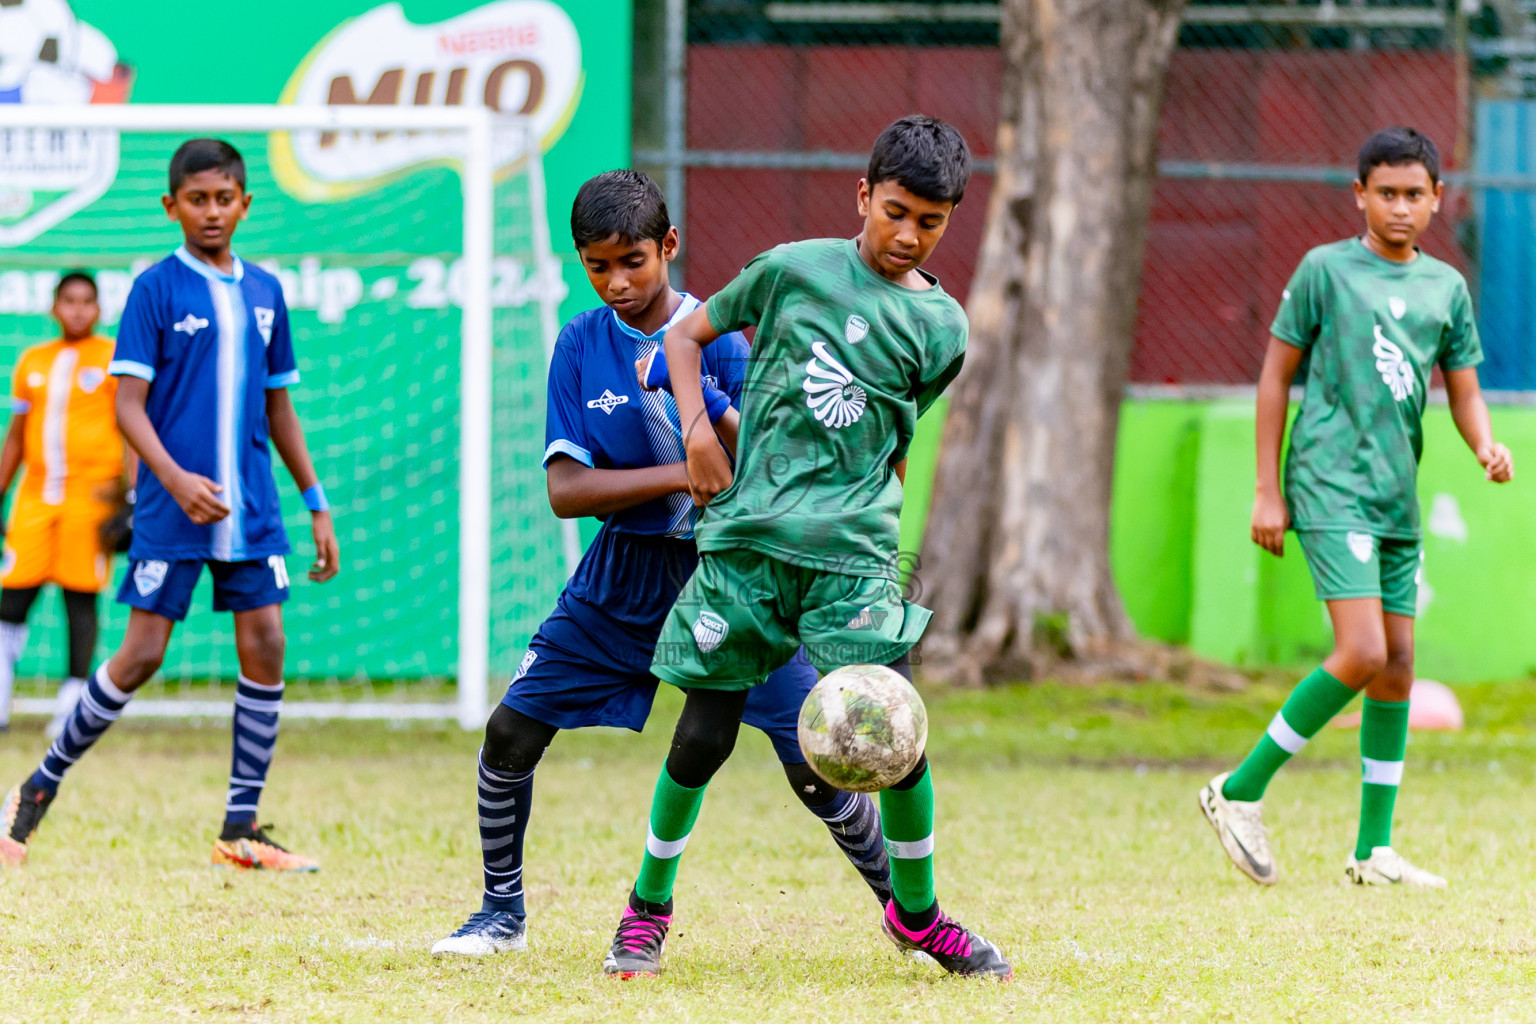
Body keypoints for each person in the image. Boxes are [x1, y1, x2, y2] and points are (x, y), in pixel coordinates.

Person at [431, 169, 893, 958]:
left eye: (633, 261)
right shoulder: (579, 344)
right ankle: (500, 914)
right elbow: (568, 490)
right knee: (509, 731)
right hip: (620, 575)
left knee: (820, 761)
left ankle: (906, 911)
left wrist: (718, 430)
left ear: (669, 247)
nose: (616, 282)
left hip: (730, 578)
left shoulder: (730, 338)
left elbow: (769, 468)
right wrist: (689, 467)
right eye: (596, 265)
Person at [603, 116, 1011, 980]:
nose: (907, 235)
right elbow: (684, 336)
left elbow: (894, 436)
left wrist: (869, 510)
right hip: (750, 541)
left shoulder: (945, 328)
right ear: (863, 195)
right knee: (703, 736)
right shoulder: (791, 270)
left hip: (853, 556)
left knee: (894, 734)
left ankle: (919, 914)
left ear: (951, 222)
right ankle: (647, 909)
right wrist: (698, 434)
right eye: (895, 211)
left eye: (930, 222)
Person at [0, 138, 340, 872]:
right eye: (197, 199)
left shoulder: (266, 293)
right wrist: (175, 479)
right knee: (141, 654)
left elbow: (279, 408)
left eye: (225, 199)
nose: (211, 212)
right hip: (170, 510)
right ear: (172, 206)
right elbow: (128, 405)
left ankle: (241, 828)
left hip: (251, 510)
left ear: (245, 204)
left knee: (268, 644)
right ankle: (34, 789)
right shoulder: (156, 287)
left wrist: (314, 500)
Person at [1199, 126, 1512, 889]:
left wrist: (1484, 444)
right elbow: (1275, 379)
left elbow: (1463, 388)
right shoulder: (1324, 272)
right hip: (1328, 482)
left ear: (1438, 199)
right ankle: (1237, 791)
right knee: (1364, 650)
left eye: (1415, 195)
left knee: (1398, 667)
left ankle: (1373, 849)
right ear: (1360, 195)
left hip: (1394, 495)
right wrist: (1267, 489)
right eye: (1387, 193)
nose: (1400, 208)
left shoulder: (1446, 289)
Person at [0, 272, 134, 738]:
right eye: (68, 301)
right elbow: (16, 437)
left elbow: (131, 430)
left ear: (99, 309)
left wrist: (132, 496)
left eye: (86, 302)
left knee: (80, 598)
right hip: (35, 497)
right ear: (53, 307)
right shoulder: (32, 361)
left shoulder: (114, 357)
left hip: (90, 497)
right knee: (13, 595)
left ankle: (71, 706)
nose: (77, 310)